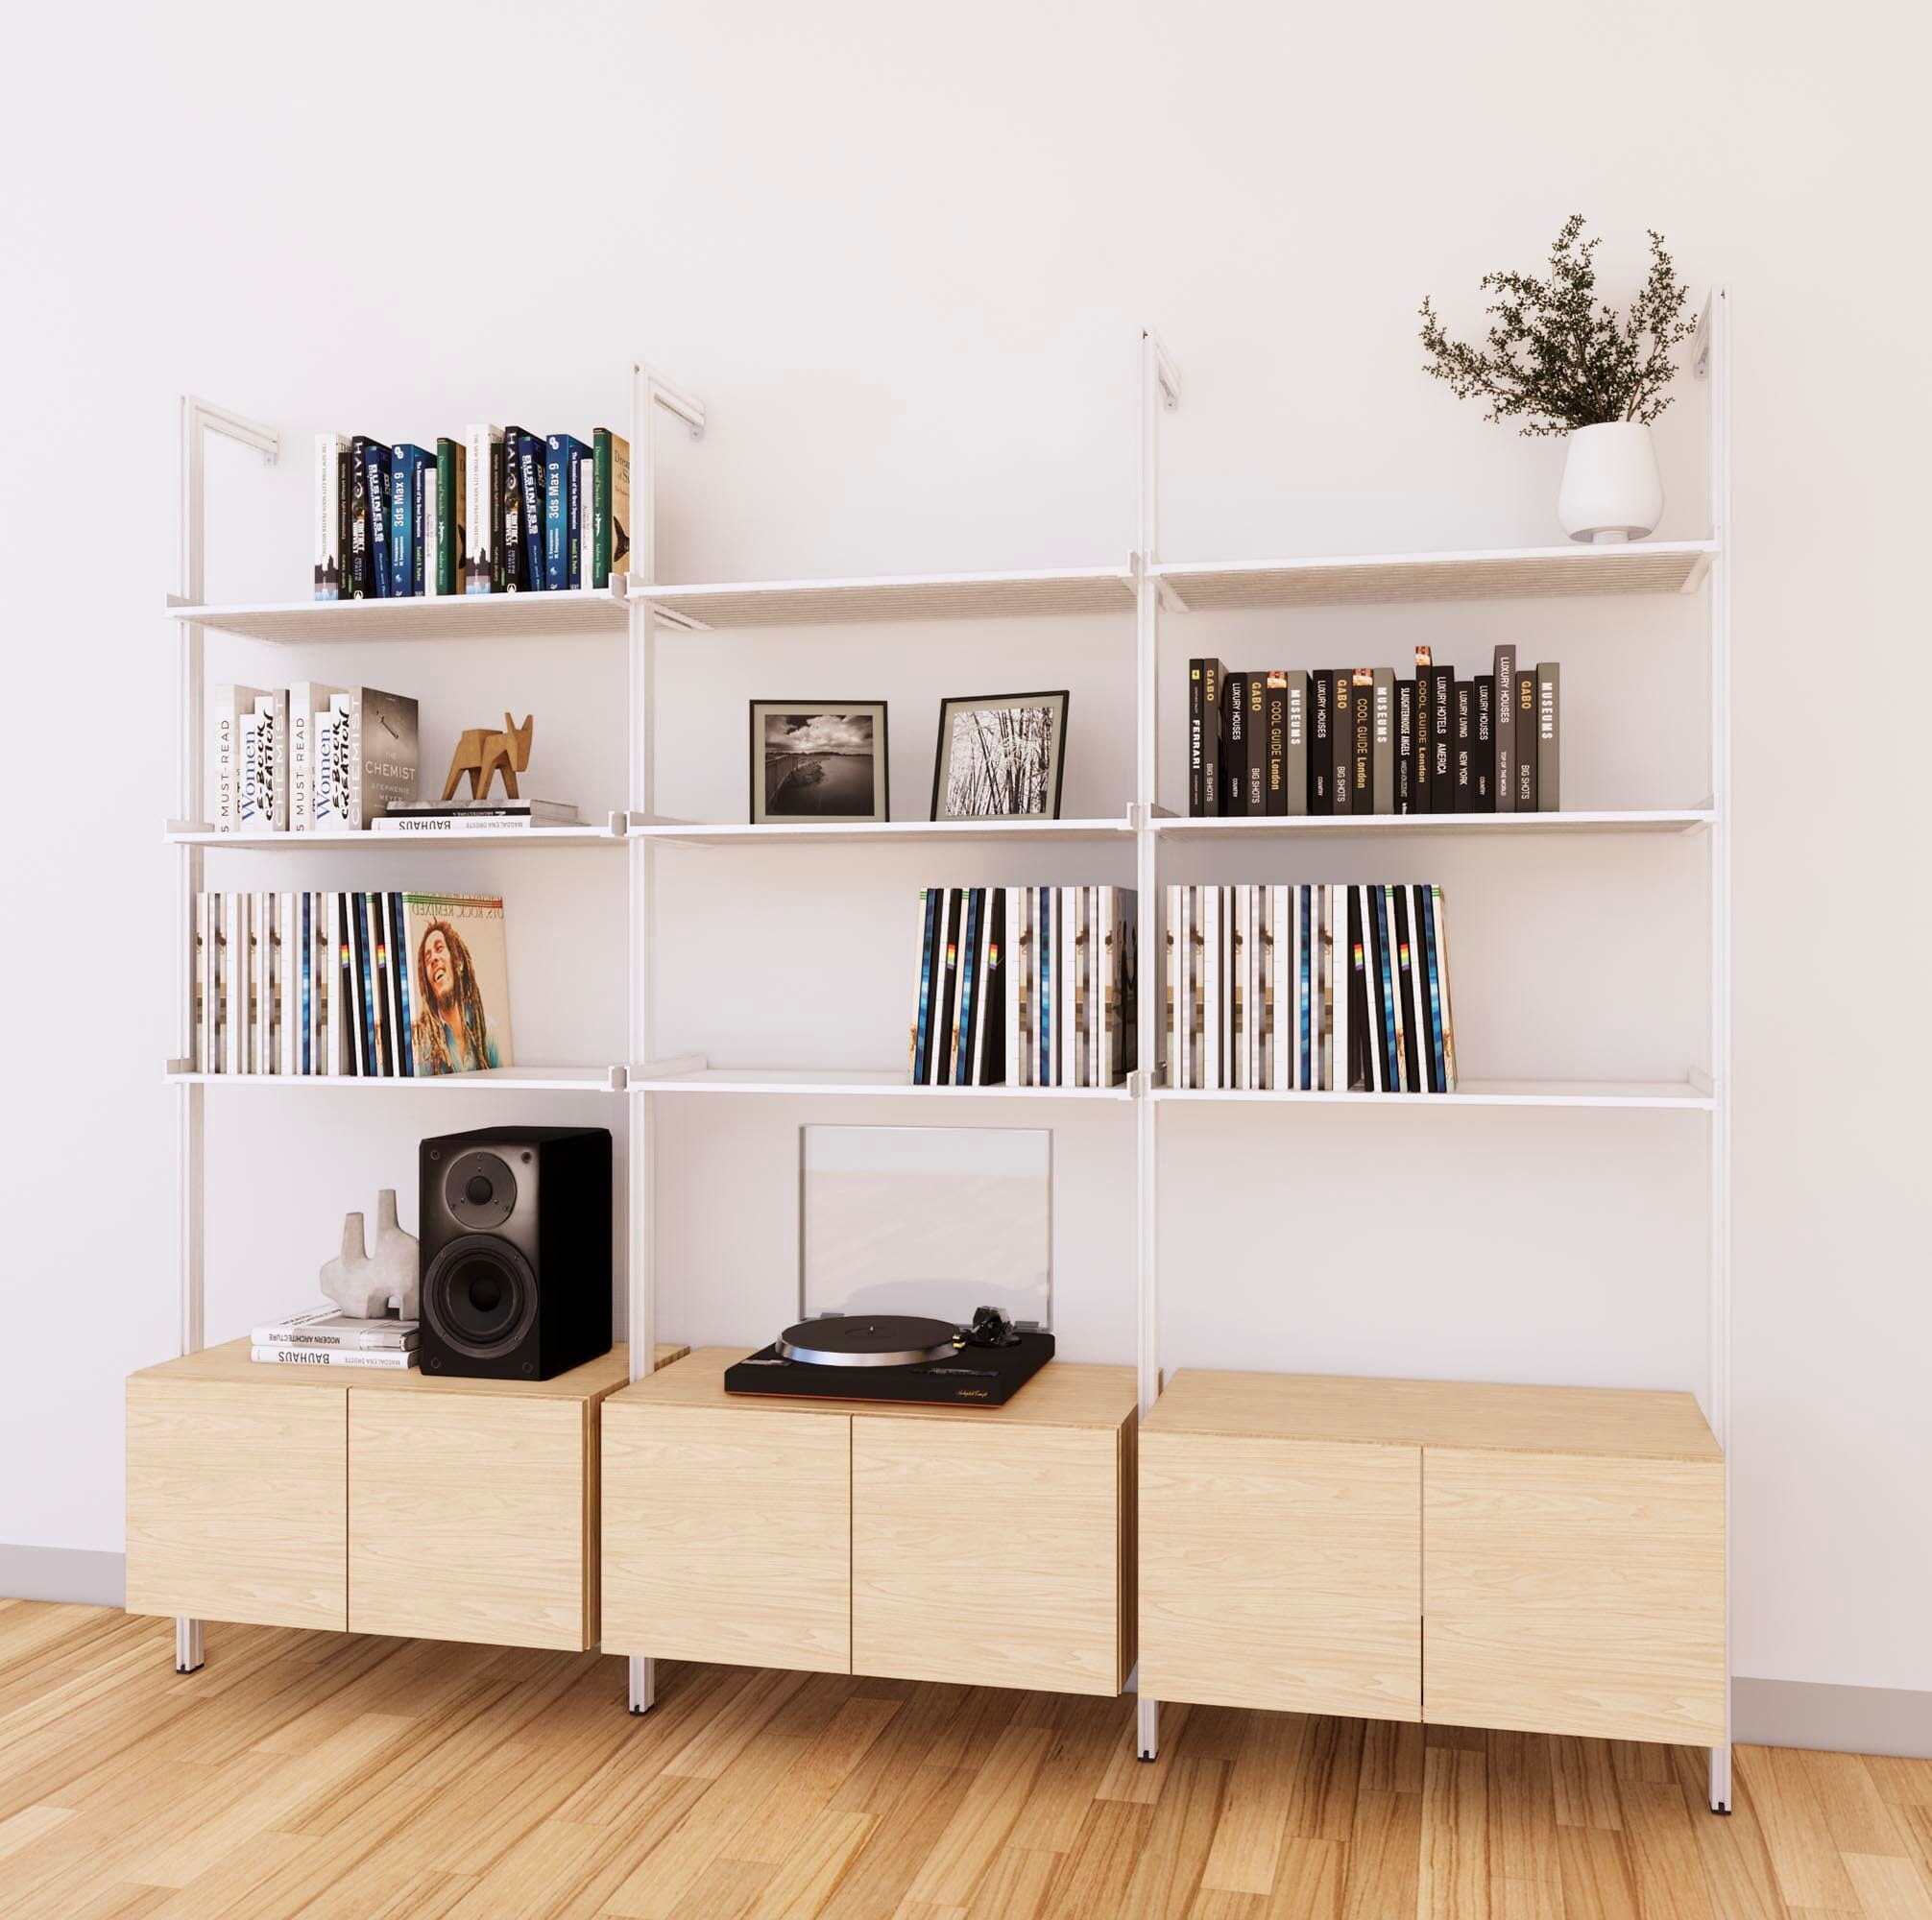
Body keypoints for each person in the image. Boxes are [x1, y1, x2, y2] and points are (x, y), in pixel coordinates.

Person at [412, 919, 500, 1073]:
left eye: (439, 948)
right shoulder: (423, 1047)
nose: (433, 959)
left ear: (458, 962)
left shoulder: (488, 1030)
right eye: (427, 958)